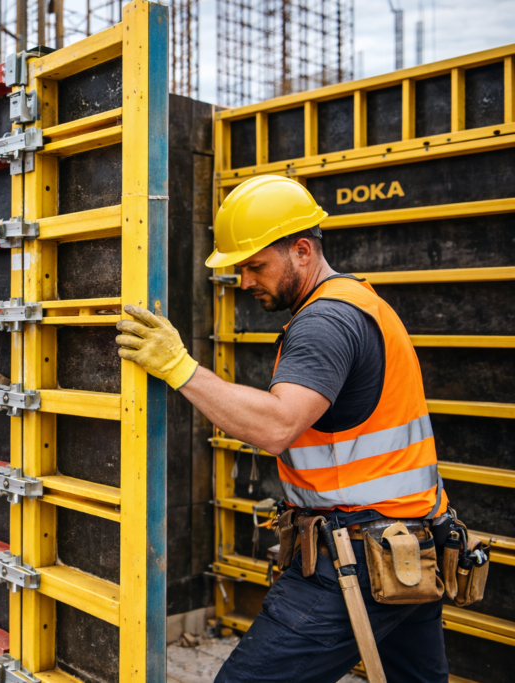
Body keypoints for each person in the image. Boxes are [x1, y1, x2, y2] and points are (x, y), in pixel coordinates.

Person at [115, 175, 450, 683]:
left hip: (356, 558)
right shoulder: (363, 303)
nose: (245, 281)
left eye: (255, 266)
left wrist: (178, 366)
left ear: (300, 251)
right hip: (409, 549)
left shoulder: (324, 323)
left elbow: (277, 425)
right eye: (240, 268)